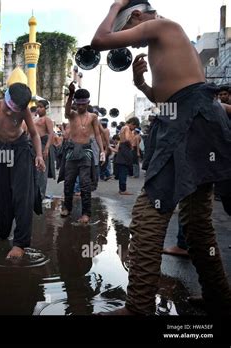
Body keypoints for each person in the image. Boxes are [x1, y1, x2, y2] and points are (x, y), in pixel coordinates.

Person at [92, 0, 231, 315]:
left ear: (138, 15)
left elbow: (99, 41)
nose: (132, 37)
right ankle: (219, 298)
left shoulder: (161, 25)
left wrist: (115, 6)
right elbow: (170, 96)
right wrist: (142, 84)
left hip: (188, 123)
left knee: (149, 213)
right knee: (197, 225)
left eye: (128, 27)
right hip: (193, 120)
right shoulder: (170, 36)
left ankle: (139, 306)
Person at [0, 83, 46, 259]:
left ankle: (20, 243)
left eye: (15, 110)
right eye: (9, 108)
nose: (10, 113)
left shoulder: (23, 111)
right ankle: (2, 232)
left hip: (21, 149)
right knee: (1, 194)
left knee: (22, 196)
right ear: (5, 96)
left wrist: (39, 155)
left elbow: (33, 133)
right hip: (3, 150)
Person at [59, 84, 105, 224]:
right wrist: (70, 95)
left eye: (83, 104)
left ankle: (86, 213)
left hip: (86, 151)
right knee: (69, 182)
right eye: (78, 104)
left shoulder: (93, 117)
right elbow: (67, 111)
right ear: (75, 103)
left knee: (85, 184)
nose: (80, 107)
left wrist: (102, 150)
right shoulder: (72, 114)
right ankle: (67, 208)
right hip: (72, 151)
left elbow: (97, 134)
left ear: (88, 103)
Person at [34, 99, 55, 201]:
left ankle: (41, 195)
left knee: (41, 172)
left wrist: (46, 148)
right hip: (33, 146)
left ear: (46, 108)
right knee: (34, 171)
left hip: (42, 145)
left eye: (41, 107)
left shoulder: (47, 120)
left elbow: (51, 134)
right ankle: (34, 194)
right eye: (37, 106)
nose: (38, 109)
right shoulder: (34, 119)